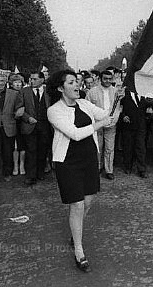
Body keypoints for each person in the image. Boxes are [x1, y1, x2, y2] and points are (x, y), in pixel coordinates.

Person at [47, 70, 113, 273]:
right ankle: (79, 249)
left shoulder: (84, 104)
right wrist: (99, 124)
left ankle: (75, 232)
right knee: (76, 204)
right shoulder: (54, 110)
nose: (77, 85)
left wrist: (117, 99)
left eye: (78, 82)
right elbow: (75, 134)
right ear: (60, 88)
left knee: (88, 201)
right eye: (71, 82)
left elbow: (106, 115)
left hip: (89, 158)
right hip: (68, 161)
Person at [85, 69, 124, 180]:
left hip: (111, 124)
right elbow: (87, 108)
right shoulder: (92, 92)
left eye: (109, 79)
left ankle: (109, 170)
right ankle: (97, 167)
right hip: (97, 124)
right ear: (100, 79)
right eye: (105, 79)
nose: (107, 81)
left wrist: (113, 119)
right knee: (98, 147)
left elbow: (118, 108)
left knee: (109, 148)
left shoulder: (116, 91)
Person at [18, 71, 52, 185]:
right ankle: (31, 176)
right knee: (31, 150)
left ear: (42, 80)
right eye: (31, 79)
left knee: (43, 150)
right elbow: (18, 108)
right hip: (29, 126)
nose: (32, 81)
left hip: (45, 125)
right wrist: (28, 118)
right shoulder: (24, 91)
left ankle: (40, 173)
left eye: (34, 79)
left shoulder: (49, 92)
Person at [120, 87, 148, 177]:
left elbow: (148, 108)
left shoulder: (144, 94)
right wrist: (123, 116)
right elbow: (118, 108)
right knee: (128, 147)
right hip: (128, 125)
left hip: (141, 126)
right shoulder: (124, 95)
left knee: (141, 148)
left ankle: (141, 169)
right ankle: (128, 166)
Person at [9, 74, 26, 177]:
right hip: (12, 121)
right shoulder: (9, 93)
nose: (18, 84)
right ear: (11, 84)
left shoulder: (25, 92)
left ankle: (22, 165)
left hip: (23, 122)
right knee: (15, 146)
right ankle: (15, 165)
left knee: (22, 145)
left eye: (19, 82)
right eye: (15, 82)